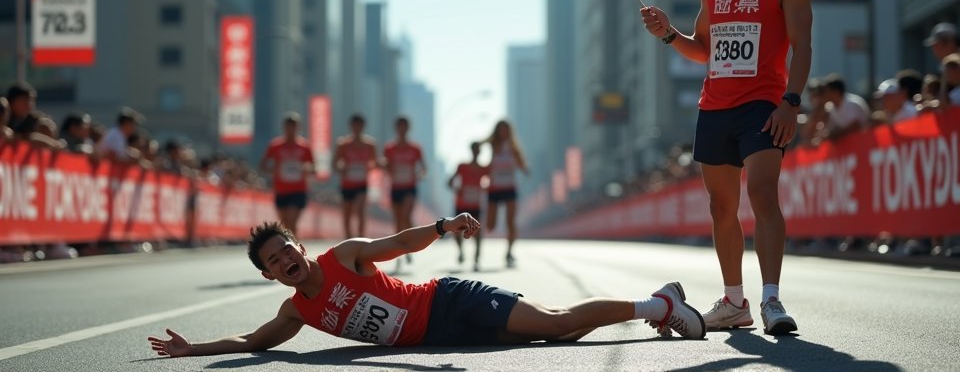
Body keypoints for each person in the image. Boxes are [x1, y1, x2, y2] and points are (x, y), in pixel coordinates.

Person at [147, 216, 705, 358]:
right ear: (269, 274)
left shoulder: (342, 257)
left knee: (558, 322)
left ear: (297, 246)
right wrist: (192, 348)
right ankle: (658, 303)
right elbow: (251, 342)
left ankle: (659, 304)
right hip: (443, 334)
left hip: (448, 300)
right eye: (273, 263)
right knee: (560, 336)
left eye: (285, 250)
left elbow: (397, 244)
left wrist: (441, 227)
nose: (285, 263)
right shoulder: (295, 312)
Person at [640, 0, 811, 335]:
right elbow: (704, 51)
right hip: (714, 107)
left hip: (762, 106)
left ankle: (771, 298)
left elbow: (803, 48)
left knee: (762, 195)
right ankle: (734, 301)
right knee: (721, 207)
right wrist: (668, 33)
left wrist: (790, 104)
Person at [259, 112, 315, 237]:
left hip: (299, 190)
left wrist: (306, 168)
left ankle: (294, 251)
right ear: (284, 128)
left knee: (292, 220)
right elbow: (262, 165)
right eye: (288, 126)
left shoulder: (305, 147)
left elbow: (313, 168)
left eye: (294, 127)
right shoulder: (275, 145)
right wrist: (274, 170)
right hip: (281, 190)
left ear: (298, 128)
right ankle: (290, 247)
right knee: (284, 224)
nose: (291, 129)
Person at [484, 119, 529, 269]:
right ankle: (480, 241)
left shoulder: (514, 148)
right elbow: (481, 143)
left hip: (510, 188)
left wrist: (524, 168)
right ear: (497, 131)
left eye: (505, 129)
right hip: (494, 188)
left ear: (509, 131)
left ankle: (509, 252)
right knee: (490, 225)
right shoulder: (493, 145)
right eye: (500, 129)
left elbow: (523, 165)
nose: (503, 132)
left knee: (511, 221)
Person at [383, 116, 426, 266]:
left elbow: (423, 169)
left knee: (405, 216)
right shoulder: (389, 148)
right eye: (399, 126)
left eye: (404, 126)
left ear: (408, 128)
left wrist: (419, 175)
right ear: (396, 128)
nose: (402, 129)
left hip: (409, 187)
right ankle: (400, 252)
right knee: (397, 221)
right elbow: (386, 166)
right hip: (395, 188)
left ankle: (410, 246)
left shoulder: (415, 148)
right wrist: (389, 168)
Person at [333, 114, 378, 238]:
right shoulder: (343, 144)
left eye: (360, 125)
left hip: (362, 183)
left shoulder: (370, 144)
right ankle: (348, 239)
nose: (357, 128)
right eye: (355, 125)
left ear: (363, 126)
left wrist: (368, 167)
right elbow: (334, 164)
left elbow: (375, 163)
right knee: (347, 214)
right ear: (351, 126)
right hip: (347, 184)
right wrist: (342, 168)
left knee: (361, 210)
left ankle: (361, 238)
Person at [447, 141, 488, 271]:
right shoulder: (462, 166)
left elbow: (490, 181)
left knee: (478, 230)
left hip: (475, 205)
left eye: (478, 149)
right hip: (461, 204)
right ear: (471, 150)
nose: (476, 152)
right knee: (456, 230)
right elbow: (449, 182)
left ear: (480, 152)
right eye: (474, 149)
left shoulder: (483, 168)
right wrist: (457, 189)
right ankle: (460, 251)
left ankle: (476, 258)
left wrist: (484, 188)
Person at [819, 74, 869, 141]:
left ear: (835, 91)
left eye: (826, 91)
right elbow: (831, 128)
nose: (824, 94)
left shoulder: (852, 103)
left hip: (865, 141)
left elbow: (855, 125)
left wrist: (836, 134)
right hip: (851, 145)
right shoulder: (829, 107)